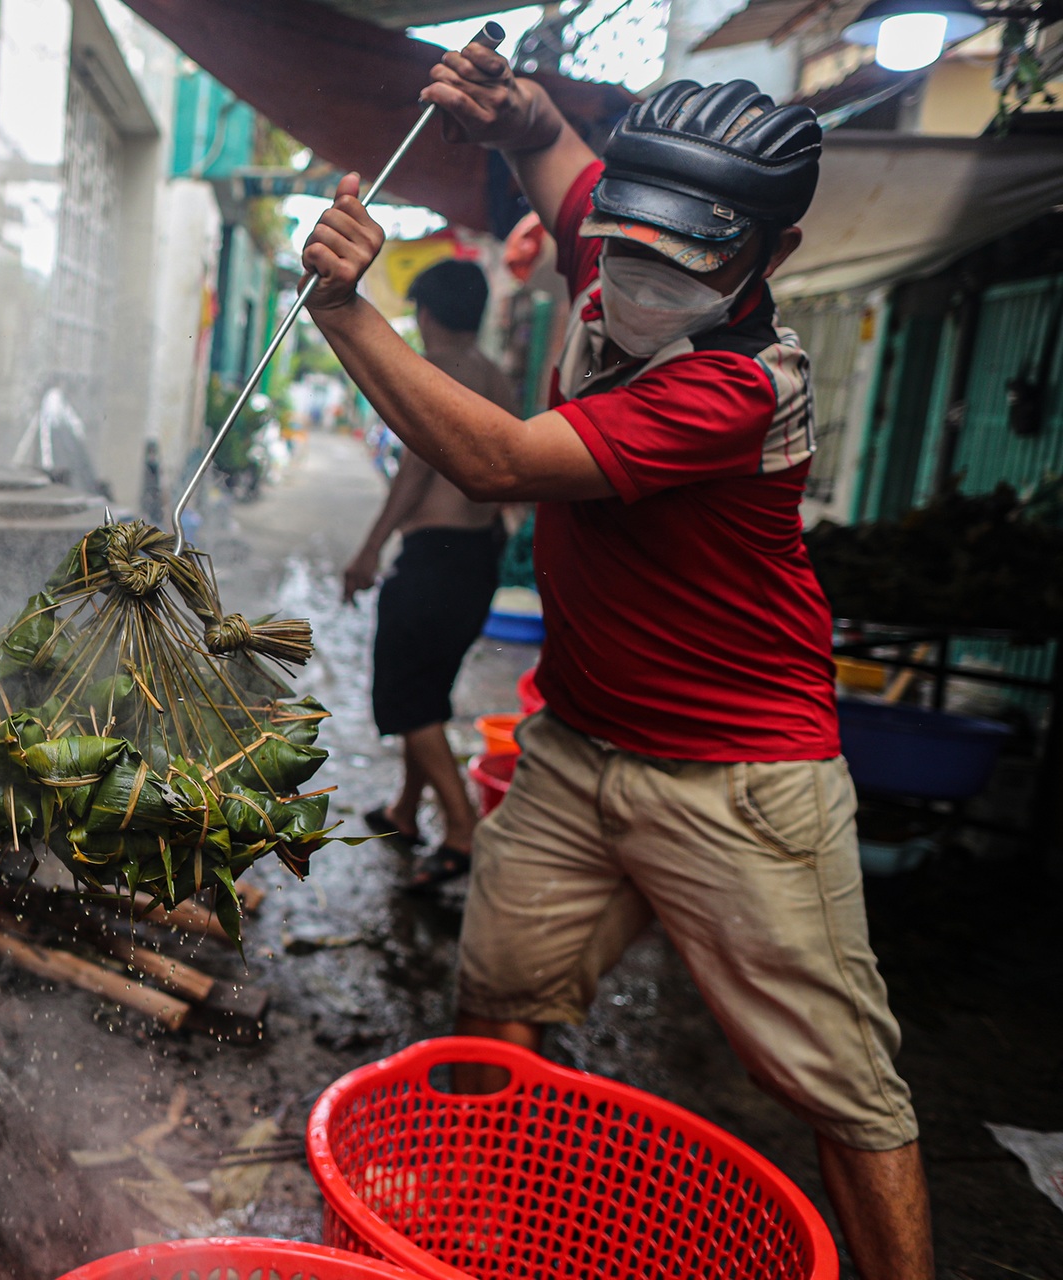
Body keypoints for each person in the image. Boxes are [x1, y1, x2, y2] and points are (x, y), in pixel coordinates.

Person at [299, 62, 934, 1280]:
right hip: (578, 744)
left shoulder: (739, 388)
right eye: (619, 232)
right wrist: (518, 108)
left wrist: (345, 311)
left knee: (841, 1083)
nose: (630, 268)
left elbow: (496, 458)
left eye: (679, 252)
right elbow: (554, 157)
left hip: (742, 775)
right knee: (497, 999)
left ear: (770, 250)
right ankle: (484, 1239)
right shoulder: (642, 222)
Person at [342, 260, 512, 887]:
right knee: (428, 692)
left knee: (406, 699)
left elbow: (414, 476)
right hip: (477, 558)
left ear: (427, 313)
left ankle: (462, 831)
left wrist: (367, 552)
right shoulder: (495, 375)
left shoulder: (434, 373)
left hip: (434, 556)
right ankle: (405, 811)